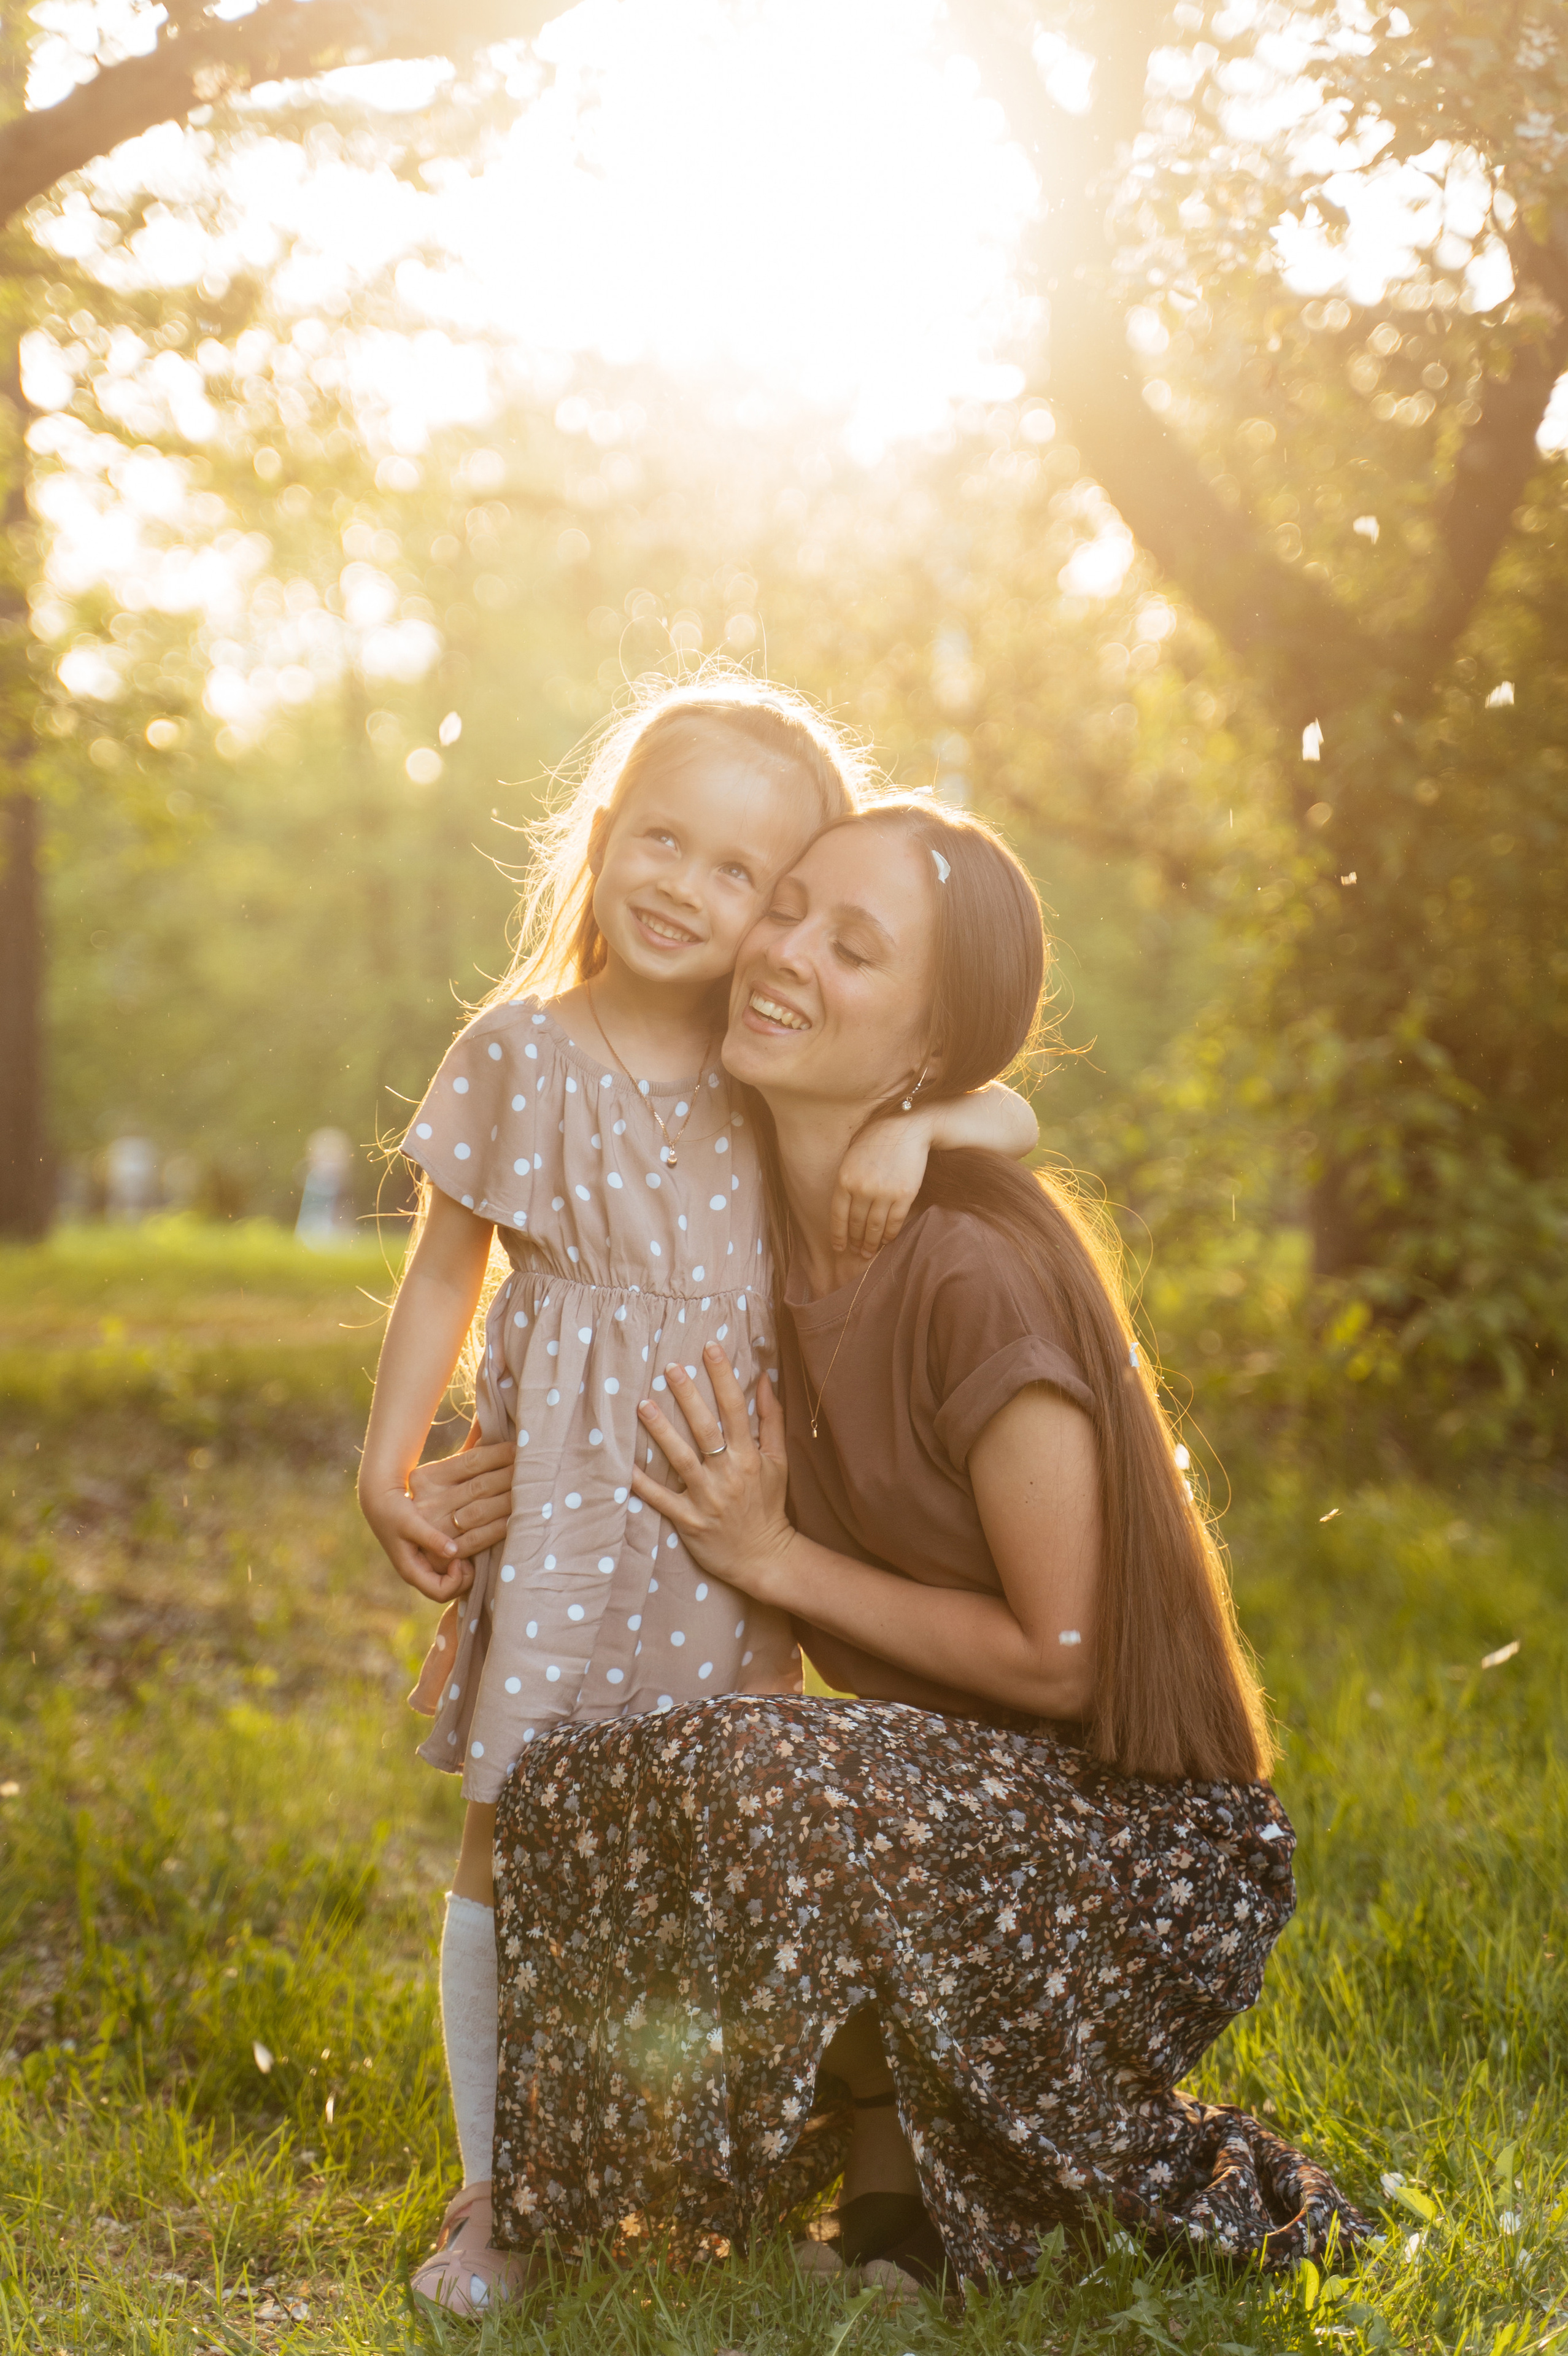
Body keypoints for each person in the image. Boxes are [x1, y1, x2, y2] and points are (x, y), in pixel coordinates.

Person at [486, 796, 1370, 2287]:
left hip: (1136, 1847)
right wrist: (478, 1475)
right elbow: (581, 1330)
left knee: (757, 1775)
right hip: (952, 1814)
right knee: (583, 1777)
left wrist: (775, 1561)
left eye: (853, 944)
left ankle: (927, 2194)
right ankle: (628, 2200)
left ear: (923, 1048)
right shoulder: (749, 1226)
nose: (780, 950)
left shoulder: (970, 1266)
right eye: (791, 907)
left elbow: (1063, 1654)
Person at [357, 684, 1038, 2309]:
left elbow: (1008, 1104)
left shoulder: (769, 1059)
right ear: (600, 841)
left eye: (741, 873)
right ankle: (495, 2194)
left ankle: (687, 2173)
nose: (688, 888)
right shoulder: (519, 1049)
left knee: (714, 1839)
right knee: (509, 1841)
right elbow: (444, 1257)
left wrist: (922, 1126)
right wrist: (392, 1458)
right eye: (661, 840)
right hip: (572, 1510)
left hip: (722, 1519)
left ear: (775, 911)